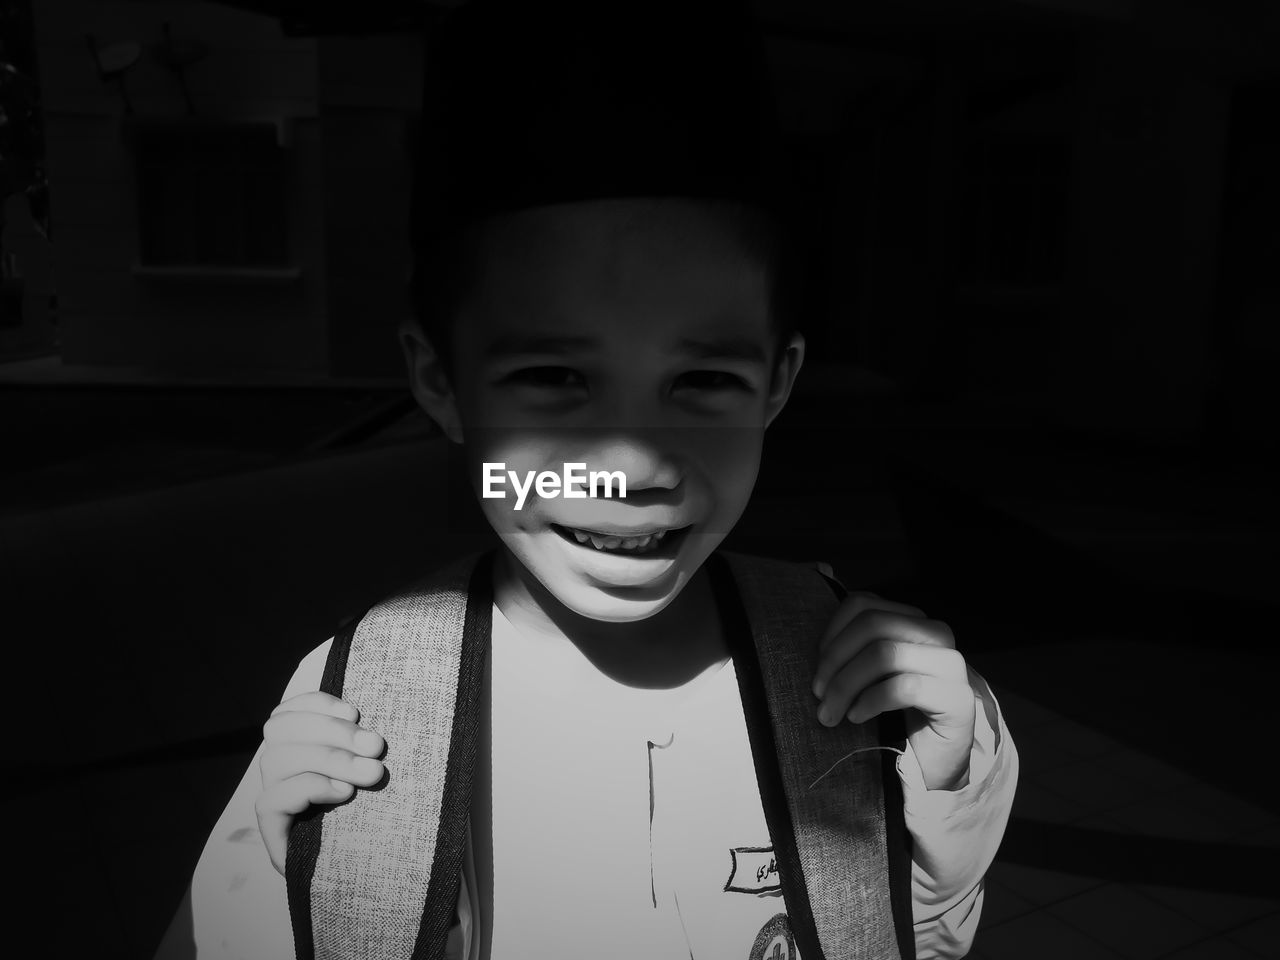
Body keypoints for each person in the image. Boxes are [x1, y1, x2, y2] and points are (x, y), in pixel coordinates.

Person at [156, 2, 1017, 958]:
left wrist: (945, 794)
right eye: (554, 380)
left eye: (702, 381)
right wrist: (282, 885)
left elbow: (915, 940)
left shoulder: (850, 677)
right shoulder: (353, 704)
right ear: (441, 382)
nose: (634, 466)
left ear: (779, 383)